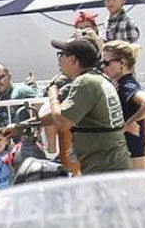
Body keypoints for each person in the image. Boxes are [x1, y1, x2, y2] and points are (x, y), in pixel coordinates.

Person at [42, 38, 130, 174]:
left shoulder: (85, 82)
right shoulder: (98, 78)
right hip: (111, 163)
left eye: (61, 55)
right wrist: (22, 126)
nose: (59, 60)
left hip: (103, 167)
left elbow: (62, 122)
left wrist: (53, 95)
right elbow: (65, 113)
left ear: (72, 59)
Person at [101, 40, 145, 170]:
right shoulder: (120, 84)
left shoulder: (127, 85)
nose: (103, 67)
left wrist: (128, 124)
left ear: (122, 63)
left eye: (107, 63)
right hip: (126, 153)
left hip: (131, 155)